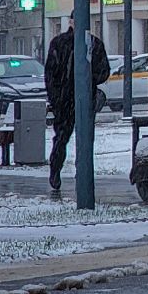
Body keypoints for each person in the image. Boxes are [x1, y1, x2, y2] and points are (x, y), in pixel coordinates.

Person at [43, 21, 111, 194]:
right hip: (68, 100)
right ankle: (63, 170)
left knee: (74, 138)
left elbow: (104, 71)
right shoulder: (66, 43)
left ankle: (74, 171)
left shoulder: (89, 44)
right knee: (70, 138)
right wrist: (57, 96)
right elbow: (50, 73)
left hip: (74, 99)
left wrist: (88, 78)